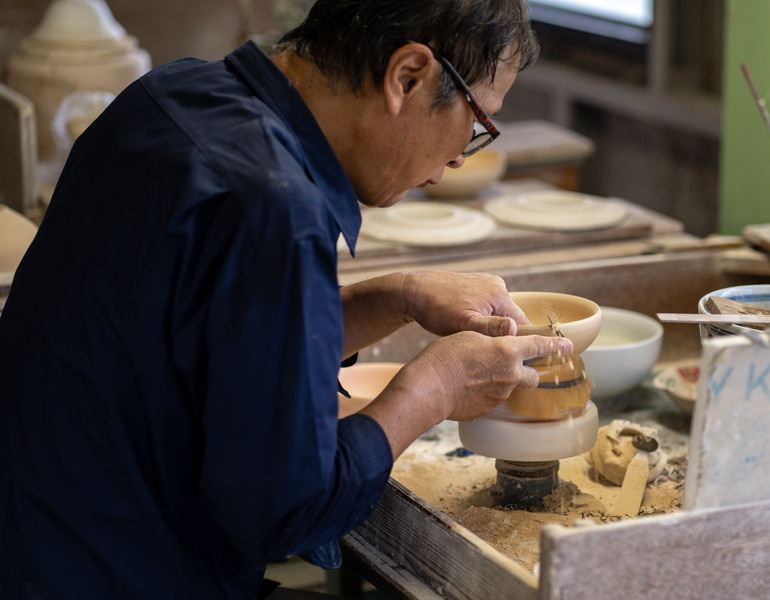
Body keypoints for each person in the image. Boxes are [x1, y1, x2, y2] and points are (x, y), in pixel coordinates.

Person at [0, 1, 573, 598]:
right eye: (477, 121)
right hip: (110, 571)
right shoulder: (274, 204)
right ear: (407, 76)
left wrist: (397, 296)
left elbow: (211, 344)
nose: (460, 156)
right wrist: (433, 390)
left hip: (34, 533)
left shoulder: (172, 91)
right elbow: (283, 511)